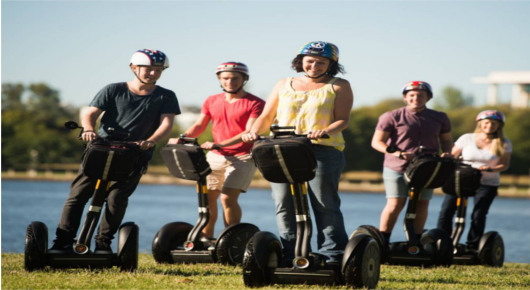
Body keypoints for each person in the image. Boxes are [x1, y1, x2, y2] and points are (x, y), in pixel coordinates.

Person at [49, 49, 181, 254]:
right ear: (133, 68)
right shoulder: (113, 89)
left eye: (158, 70)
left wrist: (150, 141)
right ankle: (62, 242)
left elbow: (166, 123)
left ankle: (103, 244)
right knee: (78, 195)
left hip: (135, 153)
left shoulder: (166, 96)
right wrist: (89, 130)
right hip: (102, 148)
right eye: (148, 69)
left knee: (116, 198)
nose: (153, 73)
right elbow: (90, 114)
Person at [242, 41, 353, 266]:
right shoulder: (284, 83)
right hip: (283, 149)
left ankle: (332, 255)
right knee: (284, 203)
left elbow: (343, 119)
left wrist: (325, 130)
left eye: (321, 62)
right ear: (301, 60)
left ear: (331, 64)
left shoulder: (339, 85)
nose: (314, 66)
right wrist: (253, 132)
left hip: (323, 149)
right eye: (310, 61)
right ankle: (291, 254)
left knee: (324, 203)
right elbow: (267, 116)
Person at [178, 62, 265, 241]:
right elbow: (199, 125)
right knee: (207, 198)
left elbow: (248, 132)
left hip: (243, 157)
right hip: (215, 157)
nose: (230, 81)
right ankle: (205, 239)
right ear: (219, 79)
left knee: (227, 198)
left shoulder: (255, 103)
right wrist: (182, 137)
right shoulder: (212, 100)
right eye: (225, 78)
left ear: (244, 79)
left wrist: (220, 144)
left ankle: (230, 240)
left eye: (235, 78)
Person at [371, 81, 453, 246]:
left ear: (428, 97)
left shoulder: (440, 117)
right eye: (412, 95)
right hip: (397, 167)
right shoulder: (391, 116)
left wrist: (448, 153)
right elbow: (377, 142)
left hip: (428, 167)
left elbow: (446, 140)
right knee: (395, 203)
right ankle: (384, 241)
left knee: (422, 203)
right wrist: (397, 152)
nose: (416, 98)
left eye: (421, 95)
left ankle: (414, 242)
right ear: (405, 98)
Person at [437, 110, 512, 251]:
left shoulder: (503, 143)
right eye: (487, 122)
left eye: (494, 123)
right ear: (480, 124)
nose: (490, 126)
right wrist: (448, 159)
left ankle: (472, 246)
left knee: (478, 214)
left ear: (499, 126)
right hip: (461, 180)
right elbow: (452, 156)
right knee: (446, 211)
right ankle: (443, 242)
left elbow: (504, 165)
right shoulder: (466, 138)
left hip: (487, 183)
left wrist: (490, 169)